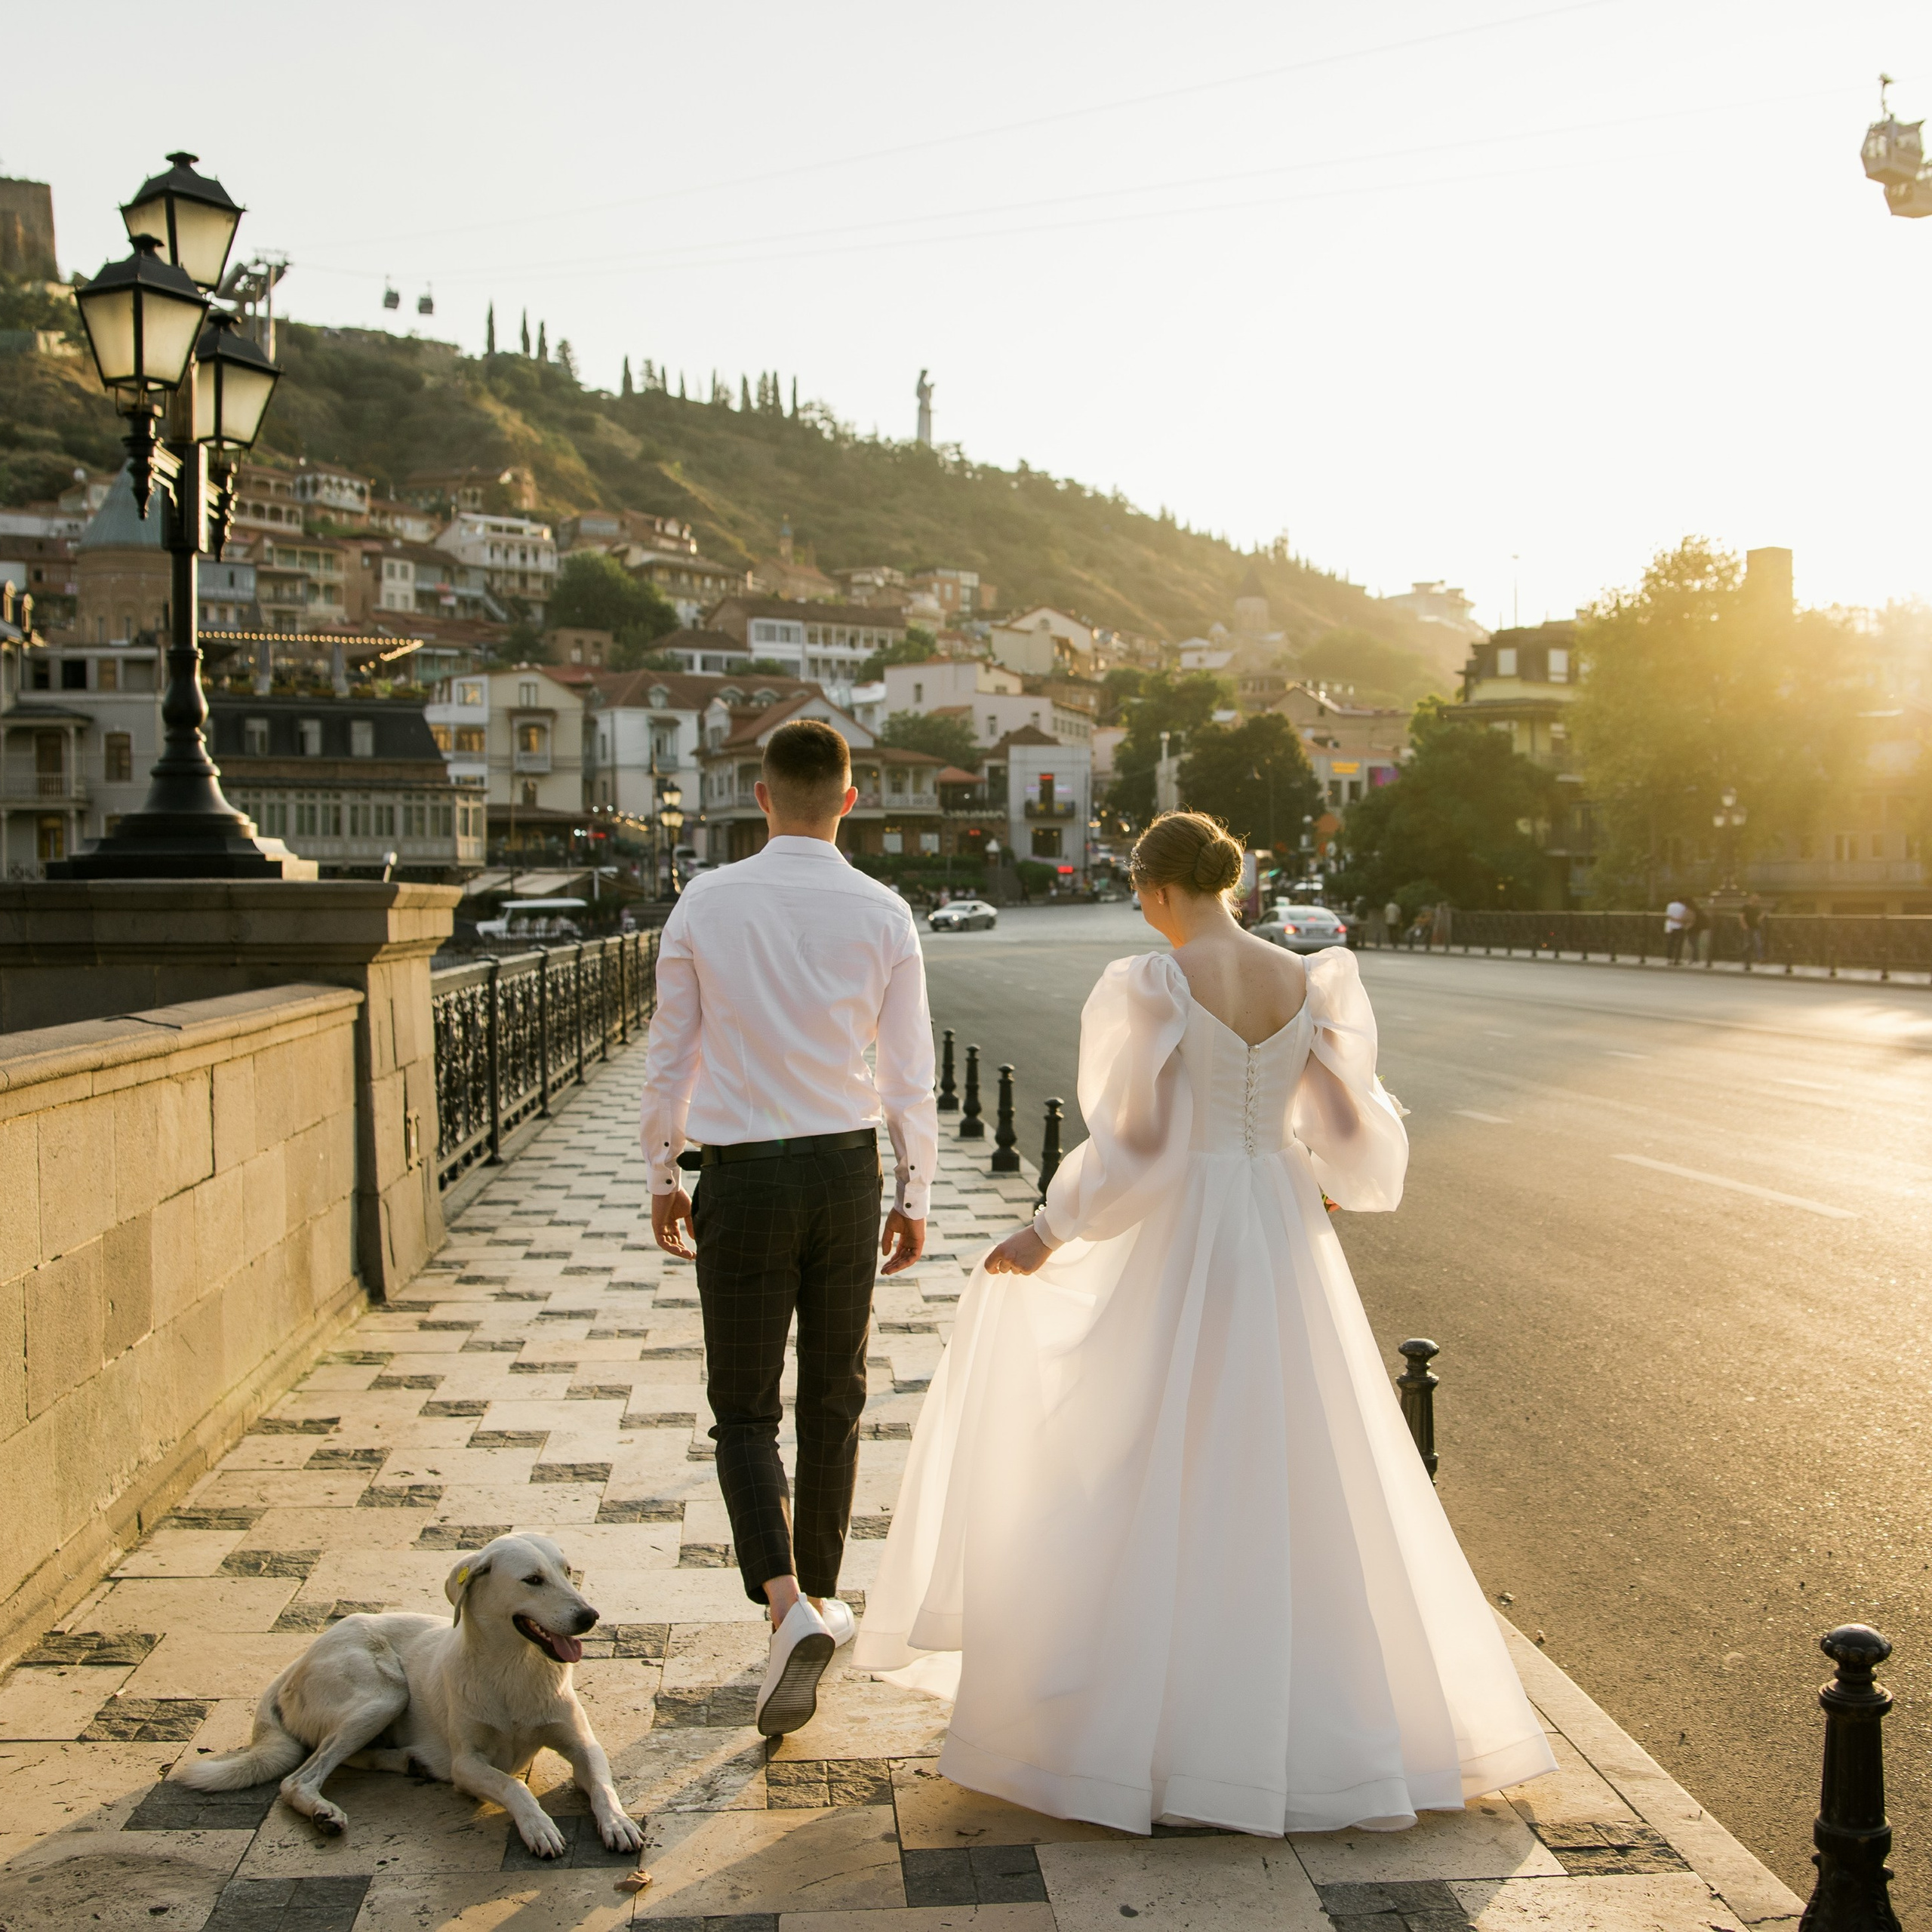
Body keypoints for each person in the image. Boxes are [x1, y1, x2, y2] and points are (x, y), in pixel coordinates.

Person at [857, 810, 1555, 1836]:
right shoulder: (1304, 979)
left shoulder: (1157, 982)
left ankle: (1155, 1727)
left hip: (1191, 1229)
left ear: (1156, 889)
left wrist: (1049, 1227)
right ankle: (1322, 1723)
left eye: (1140, 893)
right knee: (1297, 1456)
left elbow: (1136, 1147)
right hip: (1277, 1224)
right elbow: (1354, 1130)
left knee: (1156, 1445)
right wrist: (1300, 1164)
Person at [640, 718, 937, 1737]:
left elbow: (669, 1054)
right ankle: (815, 1594)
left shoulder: (708, 900)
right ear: (849, 800)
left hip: (748, 1177)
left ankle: (786, 1605)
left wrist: (660, 1175)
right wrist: (917, 1196)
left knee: (745, 1407)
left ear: (761, 796)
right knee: (836, 1396)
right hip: (848, 1175)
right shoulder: (885, 910)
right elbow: (910, 1074)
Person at [1663, 897, 1690, 965]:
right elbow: (1685, 917)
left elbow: (1668, 915)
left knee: (1671, 943)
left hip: (1670, 927)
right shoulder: (1683, 907)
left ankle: (1669, 959)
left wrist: (1673, 919)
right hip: (1680, 926)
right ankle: (1677, 960)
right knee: (1679, 944)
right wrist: (1679, 921)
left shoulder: (1670, 905)